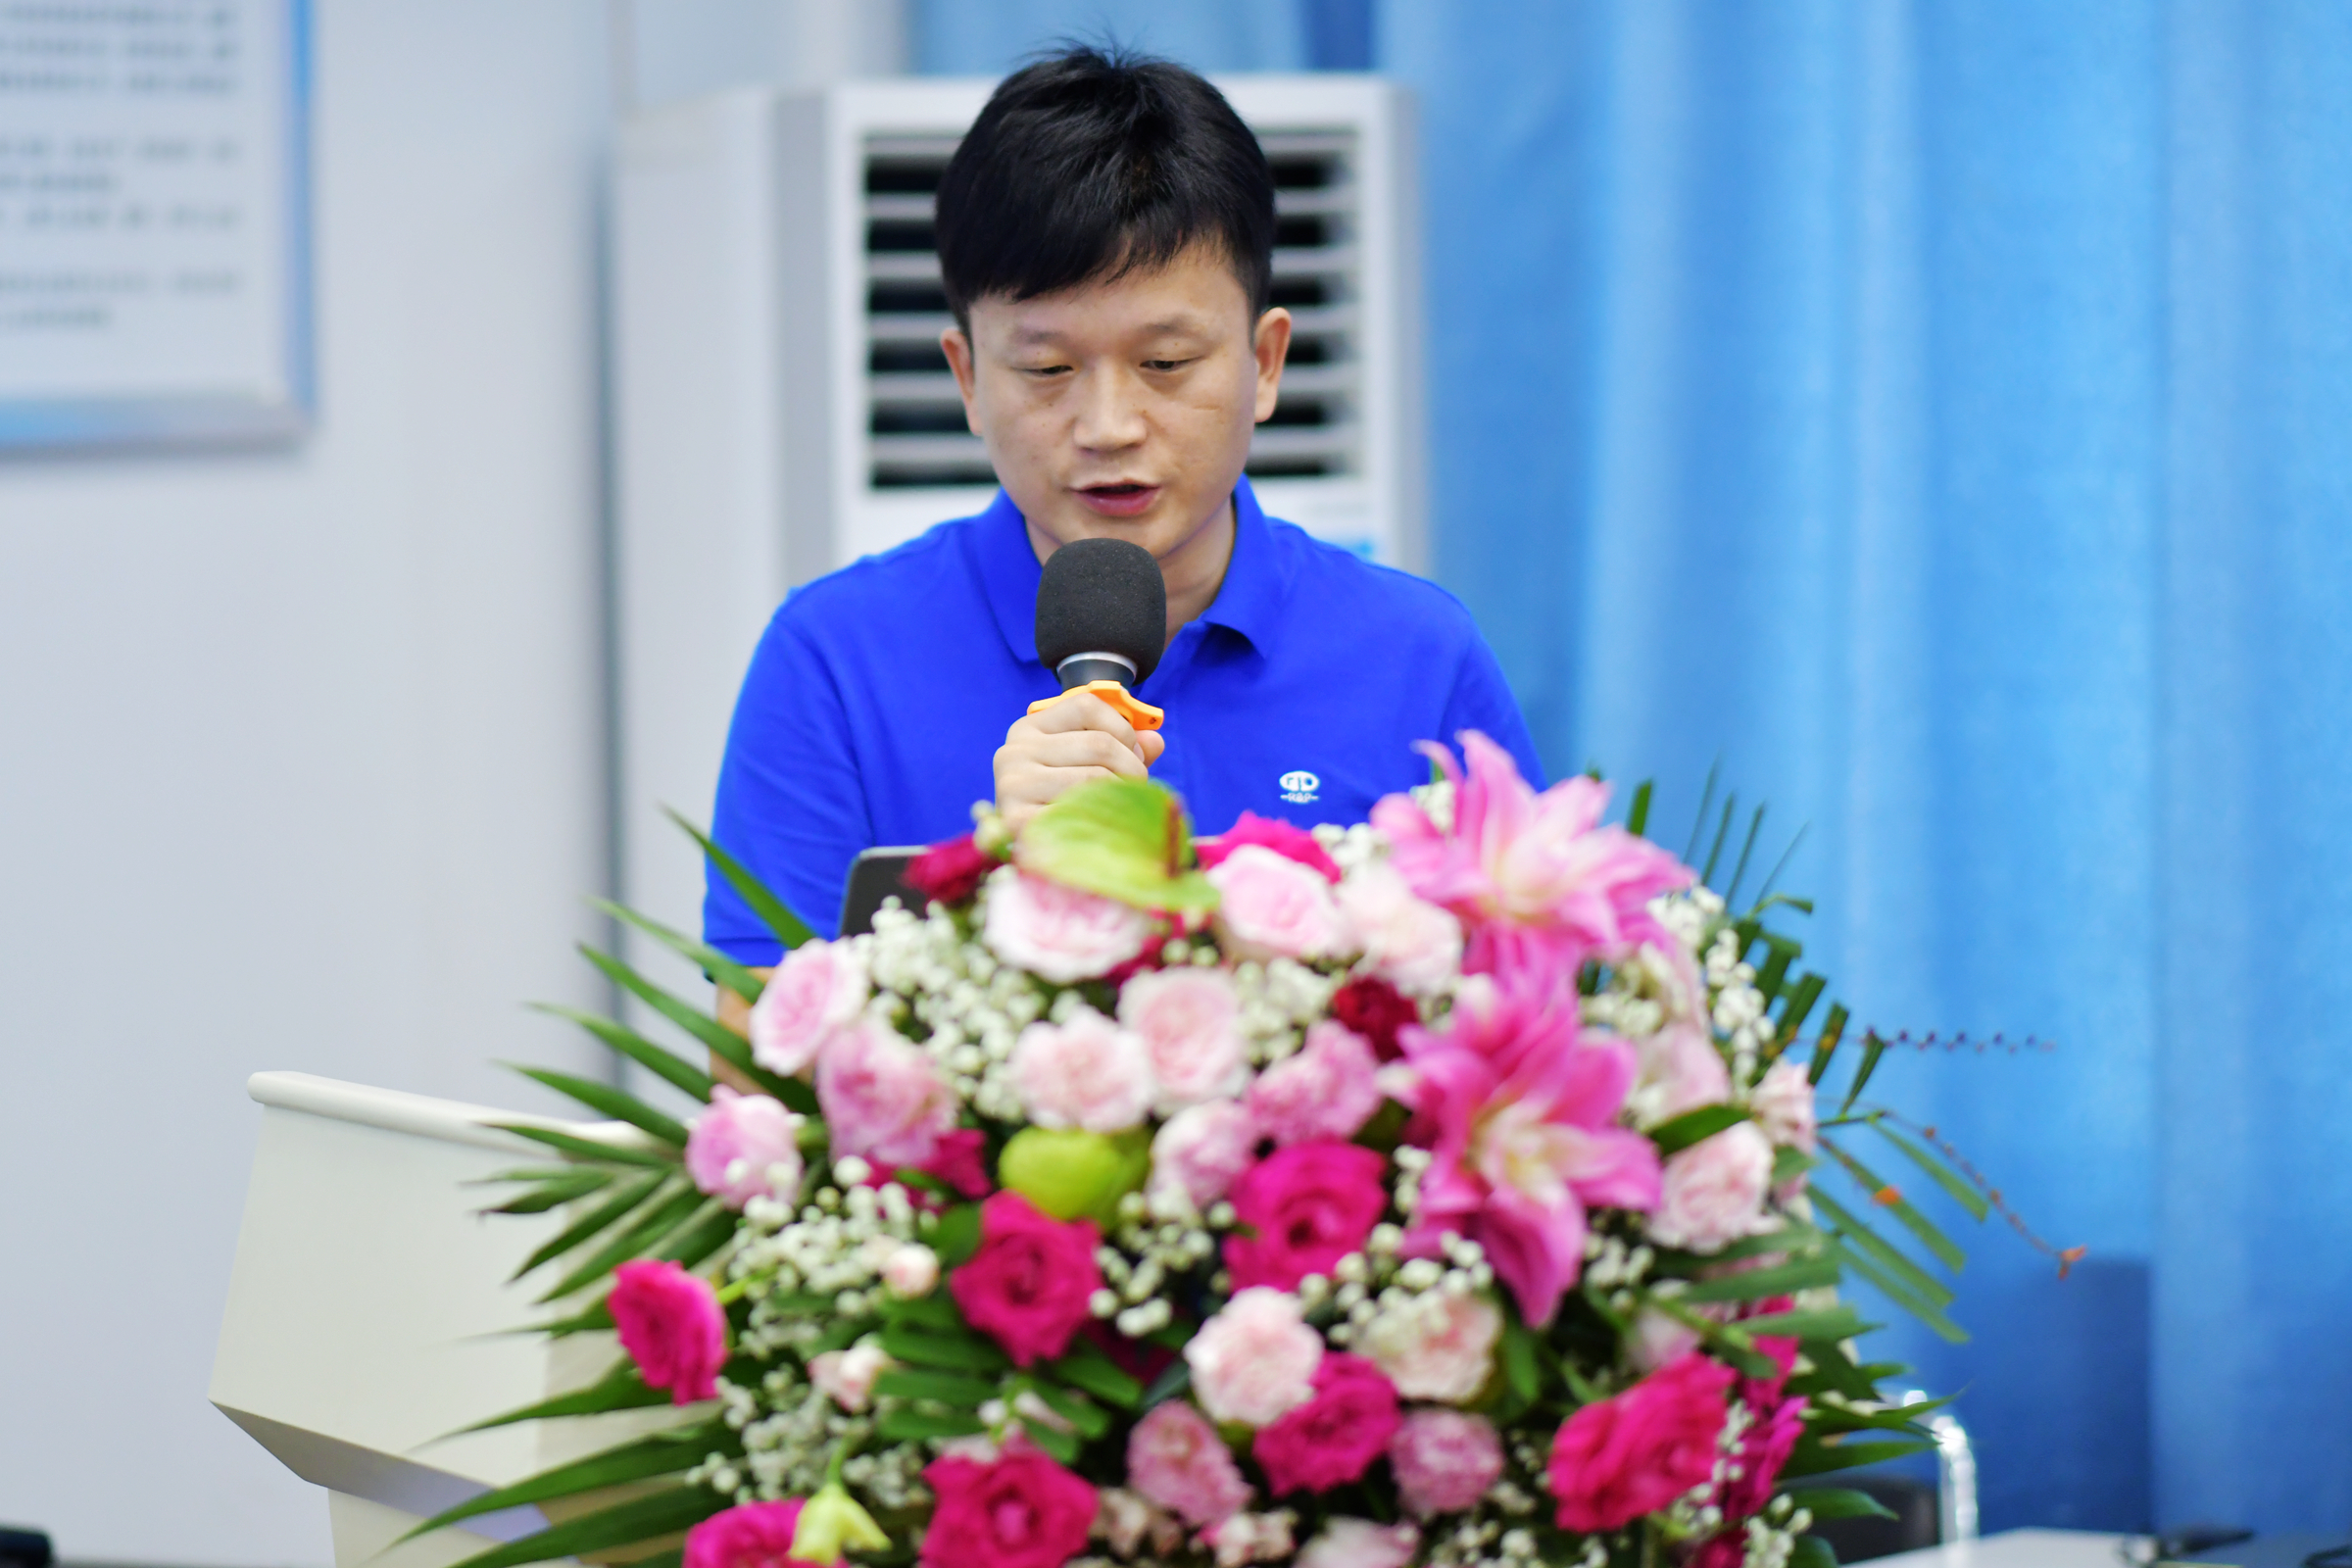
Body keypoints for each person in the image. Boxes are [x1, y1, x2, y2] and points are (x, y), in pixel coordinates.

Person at [703, 44, 1542, 983]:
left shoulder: (1416, 656)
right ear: (968, 379)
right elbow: (757, 1052)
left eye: (1166, 363)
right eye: (1048, 368)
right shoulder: (834, 661)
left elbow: (1539, 1009)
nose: (1108, 426)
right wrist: (998, 883)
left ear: (1265, 364)